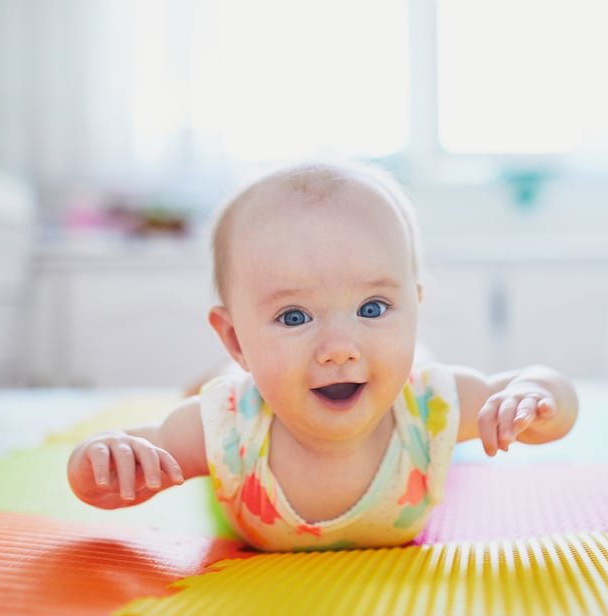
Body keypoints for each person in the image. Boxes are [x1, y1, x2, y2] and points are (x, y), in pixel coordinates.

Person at [67, 160, 579, 552]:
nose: (338, 348)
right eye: (294, 317)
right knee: (211, 388)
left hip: (400, 375)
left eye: (374, 307)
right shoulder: (226, 427)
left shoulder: (430, 406)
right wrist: (103, 464)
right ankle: (225, 368)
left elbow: (541, 398)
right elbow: (126, 458)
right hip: (250, 389)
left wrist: (536, 398)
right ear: (237, 339)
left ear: (414, 305)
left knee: (416, 373)